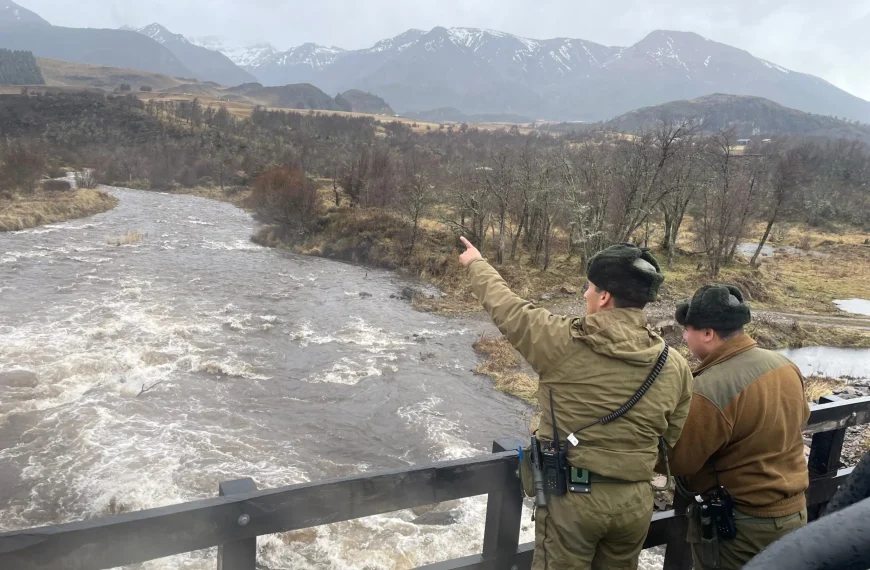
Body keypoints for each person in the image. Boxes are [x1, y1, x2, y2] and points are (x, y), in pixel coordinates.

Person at [459, 237, 693, 570]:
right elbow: (668, 441)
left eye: (589, 287)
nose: (584, 294)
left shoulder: (561, 340)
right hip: (636, 503)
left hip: (572, 500)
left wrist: (476, 263)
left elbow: (507, 307)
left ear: (604, 296)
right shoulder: (674, 364)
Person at [666, 284, 810, 569]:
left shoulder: (710, 388)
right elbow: (801, 419)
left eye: (687, 329)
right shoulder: (783, 365)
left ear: (708, 333)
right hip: (794, 514)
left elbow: (680, 460)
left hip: (741, 527)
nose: (684, 336)